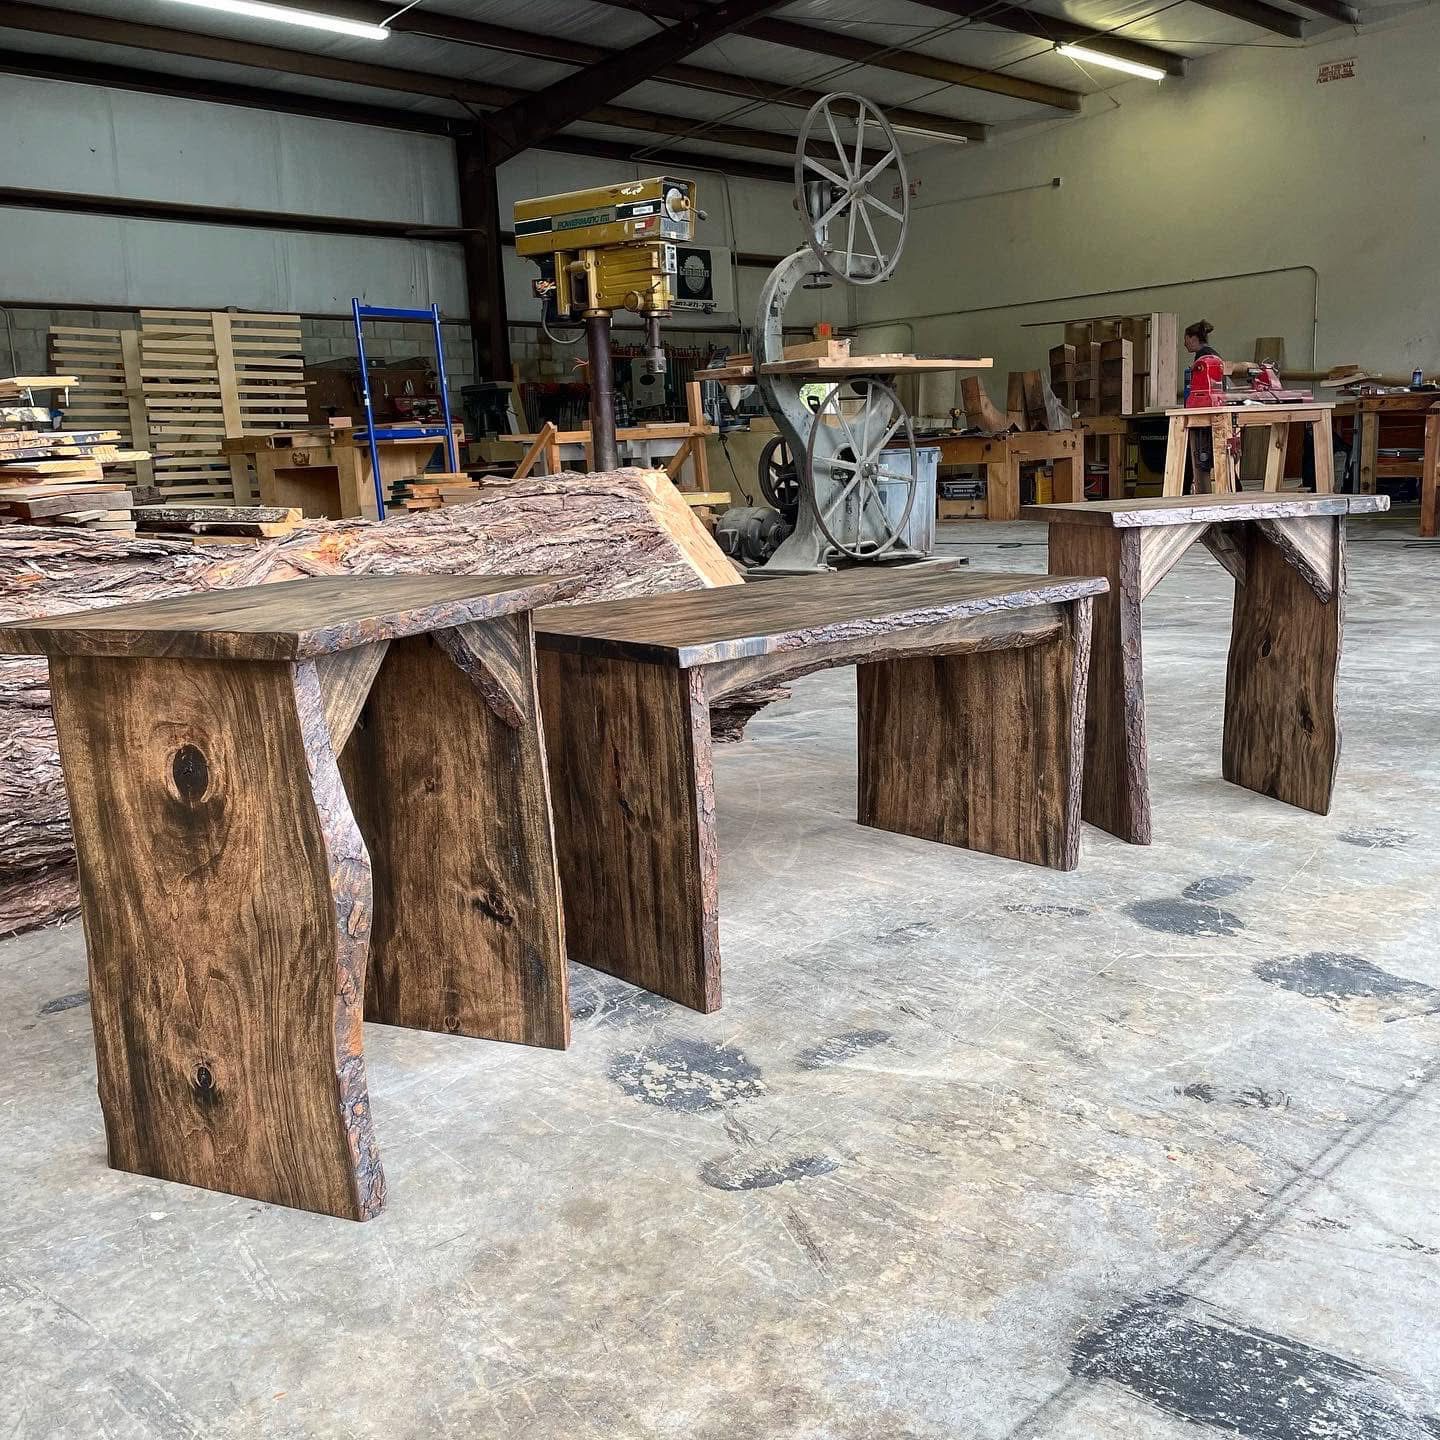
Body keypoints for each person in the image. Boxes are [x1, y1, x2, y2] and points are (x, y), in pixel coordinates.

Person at [1181, 319, 1227, 491]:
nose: (1184, 344)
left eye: (1186, 339)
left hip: (1206, 412)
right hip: (1214, 408)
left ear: (1194, 338)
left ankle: (1187, 490)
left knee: (1199, 454)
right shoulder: (1212, 355)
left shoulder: (1204, 358)